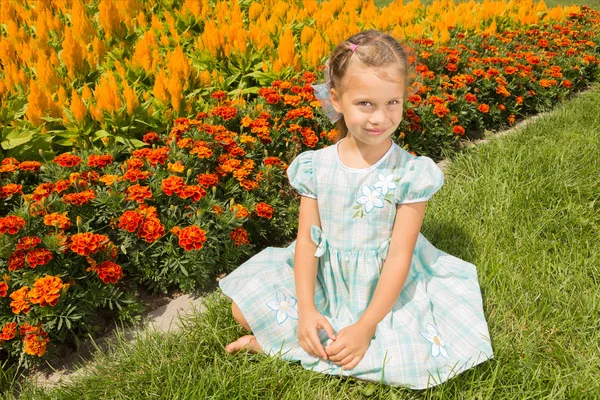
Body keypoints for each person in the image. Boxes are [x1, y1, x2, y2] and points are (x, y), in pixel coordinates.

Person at [219, 30, 493, 389]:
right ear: (337, 100)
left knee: (407, 354)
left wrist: (366, 326)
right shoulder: (315, 166)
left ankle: (277, 345)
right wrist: (306, 311)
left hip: (382, 288)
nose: (381, 118)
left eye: (393, 102)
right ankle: (302, 338)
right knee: (244, 310)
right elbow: (306, 241)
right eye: (366, 104)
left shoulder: (410, 173)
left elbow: (399, 255)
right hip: (325, 278)